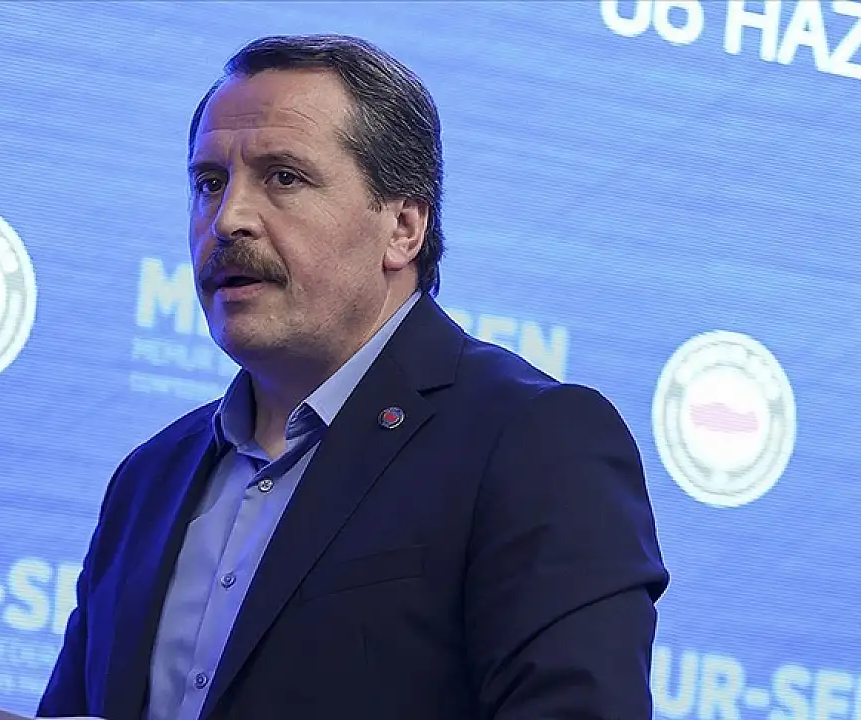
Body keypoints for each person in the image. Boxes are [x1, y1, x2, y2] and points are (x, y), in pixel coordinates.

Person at [37, 33, 669, 720]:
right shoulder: (149, 478)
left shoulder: (533, 441)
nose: (228, 220)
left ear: (403, 228)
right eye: (209, 183)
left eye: (284, 178)